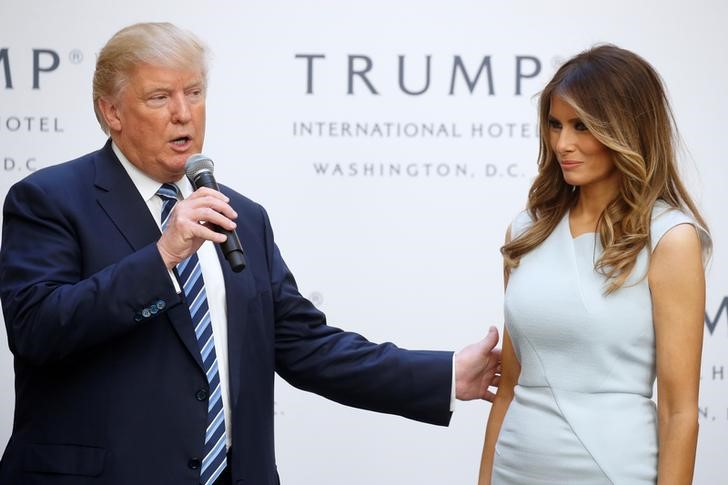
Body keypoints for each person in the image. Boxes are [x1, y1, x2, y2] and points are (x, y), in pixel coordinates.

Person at [0, 23, 500, 485]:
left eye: (194, 93)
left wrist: (445, 375)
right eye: (159, 97)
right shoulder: (49, 200)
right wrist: (163, 255)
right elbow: (37, 329)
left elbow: (305, 346)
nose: (183, 112)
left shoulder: (243, 215)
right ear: (112, 112)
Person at [478, 45, 711, 484]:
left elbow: (680, 413)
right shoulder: (527, 231)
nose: (563, 144)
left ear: (627, 129)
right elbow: (508, 388)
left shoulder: (668, 237)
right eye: (555, 124)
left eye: (582, 126)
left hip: (611, 470)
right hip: (516, 466)